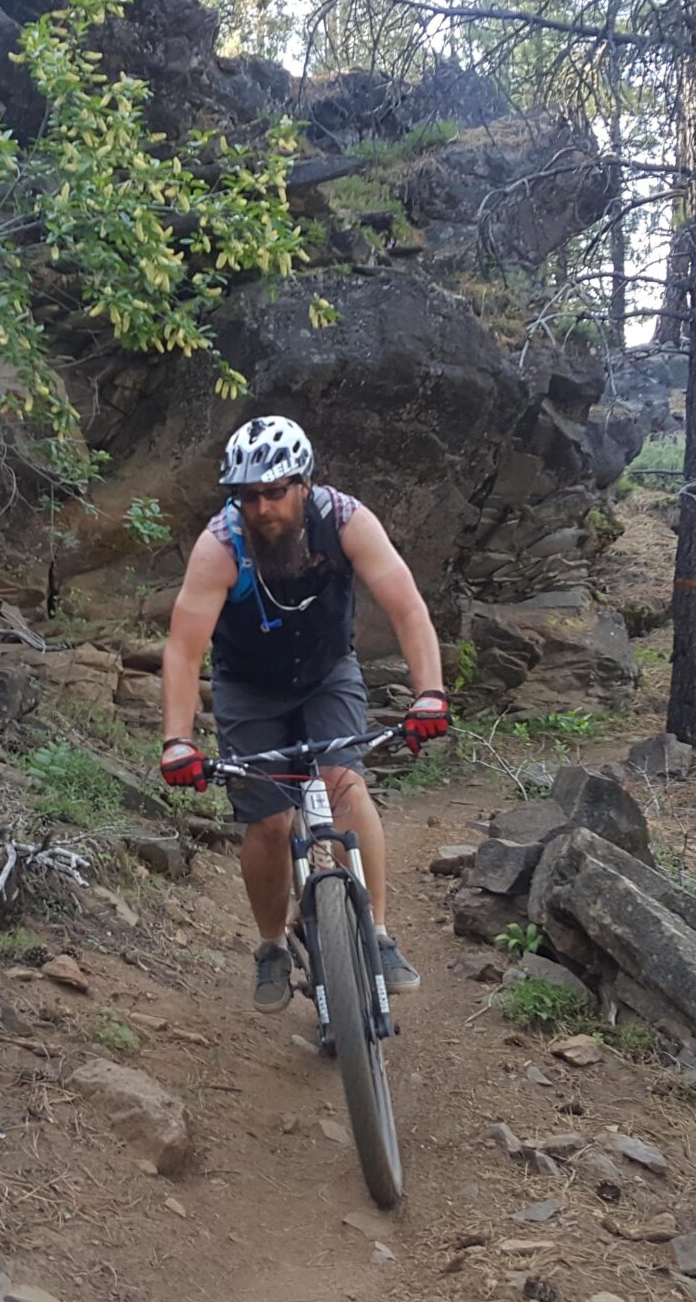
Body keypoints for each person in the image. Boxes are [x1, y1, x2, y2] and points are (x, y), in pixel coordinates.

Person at [154, 416, 452, 1012]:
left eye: (274, 492)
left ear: (303, 484)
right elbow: (184, 650)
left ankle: (378, 933)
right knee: (266, 822)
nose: (261, 509)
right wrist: (177, 740)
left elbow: (407, 606)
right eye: (247, 496)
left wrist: (430, 693)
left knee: (345, 785)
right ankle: (270, 946)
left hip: (326, 674)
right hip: (248, 687)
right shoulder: (221, 546)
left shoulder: (345, 521)